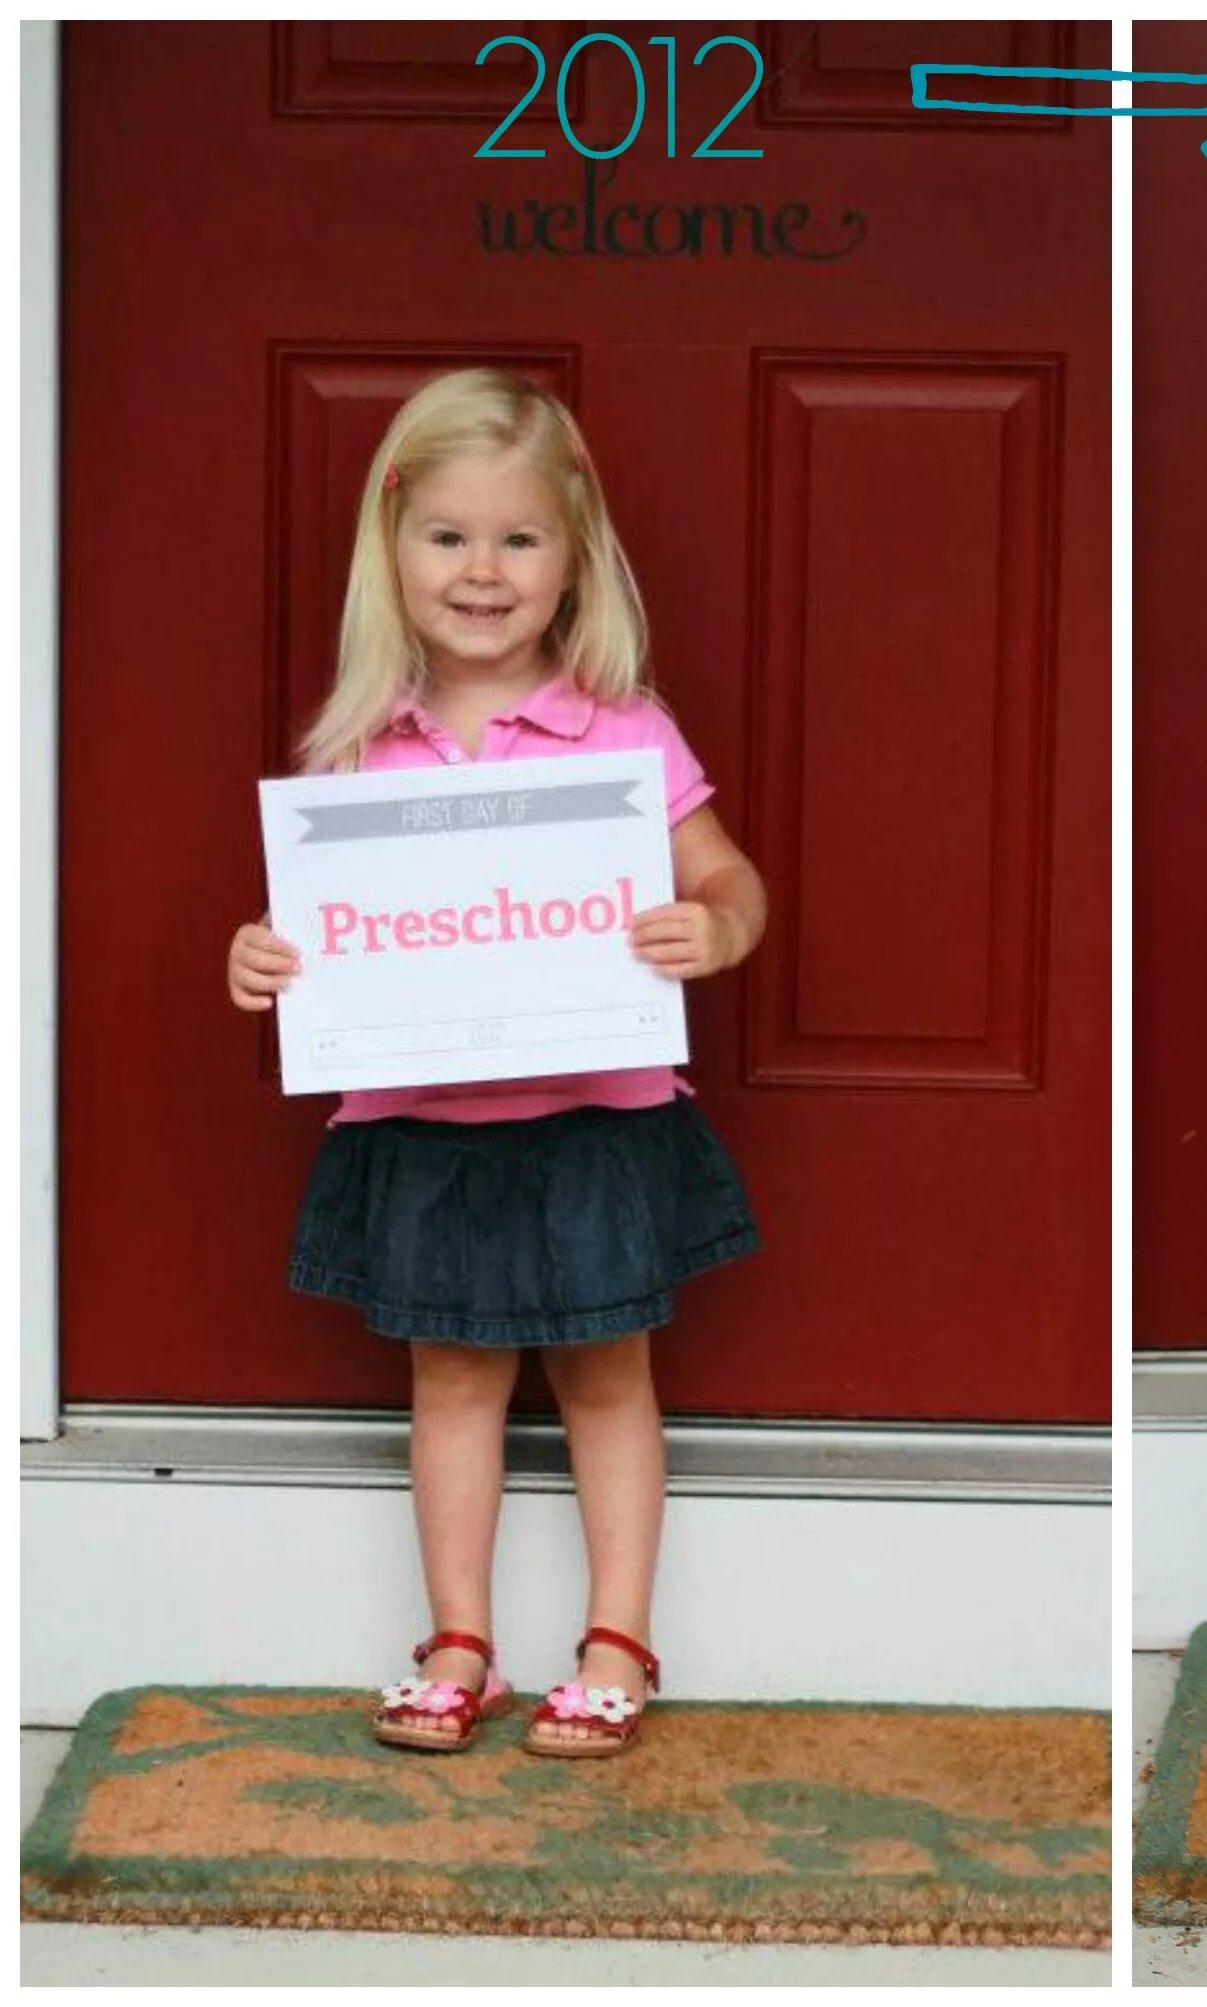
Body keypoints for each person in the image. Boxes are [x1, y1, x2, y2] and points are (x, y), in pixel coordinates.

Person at [226, 369, 764, 1758]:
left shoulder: (623, 729)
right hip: (424, 1128)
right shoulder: (355, 751)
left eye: (518, 539)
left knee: (605, 1375)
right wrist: (263, 958)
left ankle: (617, 1639)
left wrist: (712, 925)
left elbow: (729, 877)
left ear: (572, 557)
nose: (482, 570)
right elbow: (315, 936)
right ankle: (456, 1636)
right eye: (449, 537)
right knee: (452, 1382)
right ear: (392, 549)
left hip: (596, 1117)